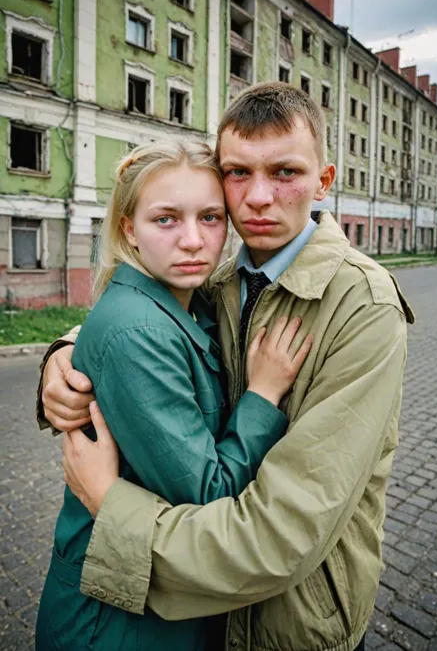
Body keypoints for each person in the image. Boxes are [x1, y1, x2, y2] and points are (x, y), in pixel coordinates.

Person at [39, 82, 414, 651]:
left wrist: (114, 510)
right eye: (239, 172)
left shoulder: (363, 306)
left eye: (285, 172)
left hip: (294, 623)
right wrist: (64, 355)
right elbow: (142, 321)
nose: (259, 197)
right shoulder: (217, 278)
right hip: (207, 621)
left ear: (324, 181)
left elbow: (283, 534)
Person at [35, 138, 313, 651]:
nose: (193, 240)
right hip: (116, 622)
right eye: (166, 219)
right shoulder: (140, 330)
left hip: (153, 602)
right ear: (128, 230)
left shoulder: (187, 300)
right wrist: (264, 394)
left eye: (210, 217)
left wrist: (62, 348)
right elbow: (208, 494)